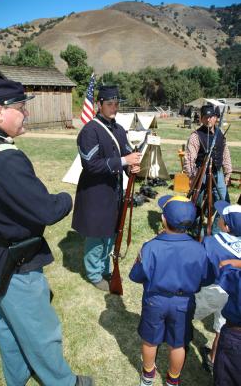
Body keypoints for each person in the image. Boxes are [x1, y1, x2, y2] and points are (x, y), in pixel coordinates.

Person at [0, 77, 93, 386]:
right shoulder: (5, 158)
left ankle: (18, 377)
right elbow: (47, 210)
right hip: (15, 262)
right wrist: (67, 198)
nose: (26, 114)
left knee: (6, 323)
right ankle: (64, 382)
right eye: (21, 108)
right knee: (42, 330)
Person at [129, 195, 212, 386]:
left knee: (150, 340)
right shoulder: (199, 249)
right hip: (184, 303)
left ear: (163, 219)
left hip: (154, 301)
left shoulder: (151, 247)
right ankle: (173, 380)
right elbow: (206, 278)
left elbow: (136, 276)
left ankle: (148, 375)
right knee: (178, 343)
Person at [72, 85, 141, 291]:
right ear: (99, 104)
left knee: (111, 232)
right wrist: (124, 160)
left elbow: (126, 156)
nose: (114, 108)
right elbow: (91, 165)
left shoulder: (119, 129)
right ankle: (94, 274)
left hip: (114, 191)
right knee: (97, 234)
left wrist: (133, 167)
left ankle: (104, 267)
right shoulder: (89, 131)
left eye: (116, 104)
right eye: (109, 104)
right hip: (95, 192)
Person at [194, 201, 241, 373]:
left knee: (188, 313)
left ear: (227, 227)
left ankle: (178, 339)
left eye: (221, 217)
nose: (218, 218)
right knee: (223, 326)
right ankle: (213, 358)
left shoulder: (211, 242)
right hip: (234, 293)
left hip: (212, 289)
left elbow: (200, 269)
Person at [183, 104, 232, 234]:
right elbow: (189, 158)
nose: (208, 120)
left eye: (211, 117)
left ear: (216, 118)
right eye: (205, 117)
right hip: (201, 173)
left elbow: (225, 153)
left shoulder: (220, 133)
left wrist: (228, 172)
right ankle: (195, 229)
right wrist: (192, 176)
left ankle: (216, 231)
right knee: (197, 203)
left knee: (224, 203)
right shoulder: (196, 135)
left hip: (218, 173)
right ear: (202, 119)